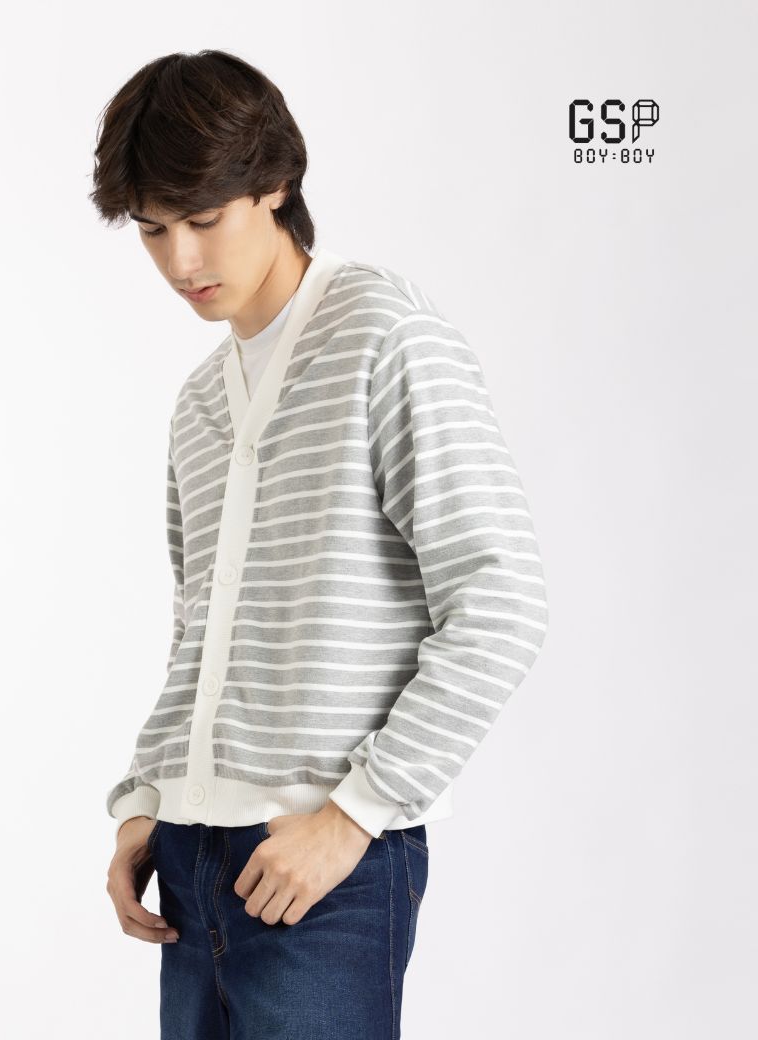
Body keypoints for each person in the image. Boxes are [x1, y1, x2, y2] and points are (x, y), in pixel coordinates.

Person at [88, 49, 549, 1039]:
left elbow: (501, 597)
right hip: (189, 861)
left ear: (274, 183)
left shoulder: (384, 334)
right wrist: (147, 795)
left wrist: (352, 816)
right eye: (153, 229)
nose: (180, 262)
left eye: (203, 219)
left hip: (322, 865)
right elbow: (198, 632)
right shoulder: (199, 403)